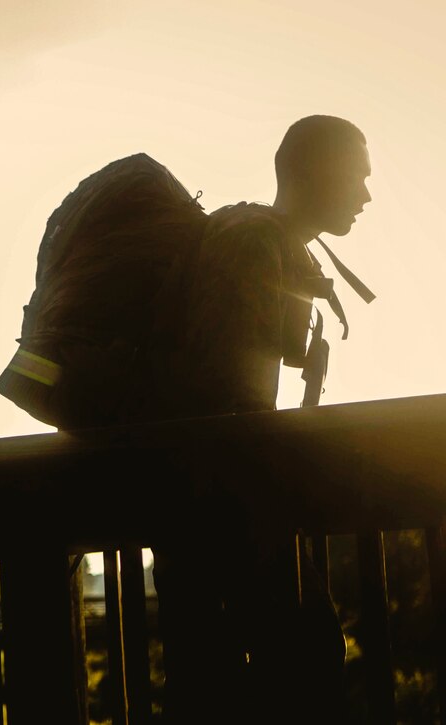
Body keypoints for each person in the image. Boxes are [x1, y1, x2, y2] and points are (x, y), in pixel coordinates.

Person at [152, 115, 372, 723]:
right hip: (222, 507)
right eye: (357, 175)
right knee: (292, 666)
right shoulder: (252, 244)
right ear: (314, 171)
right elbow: (227, 392)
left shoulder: (269, 242)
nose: (366, 195)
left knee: (224, 680)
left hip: (218, 504)